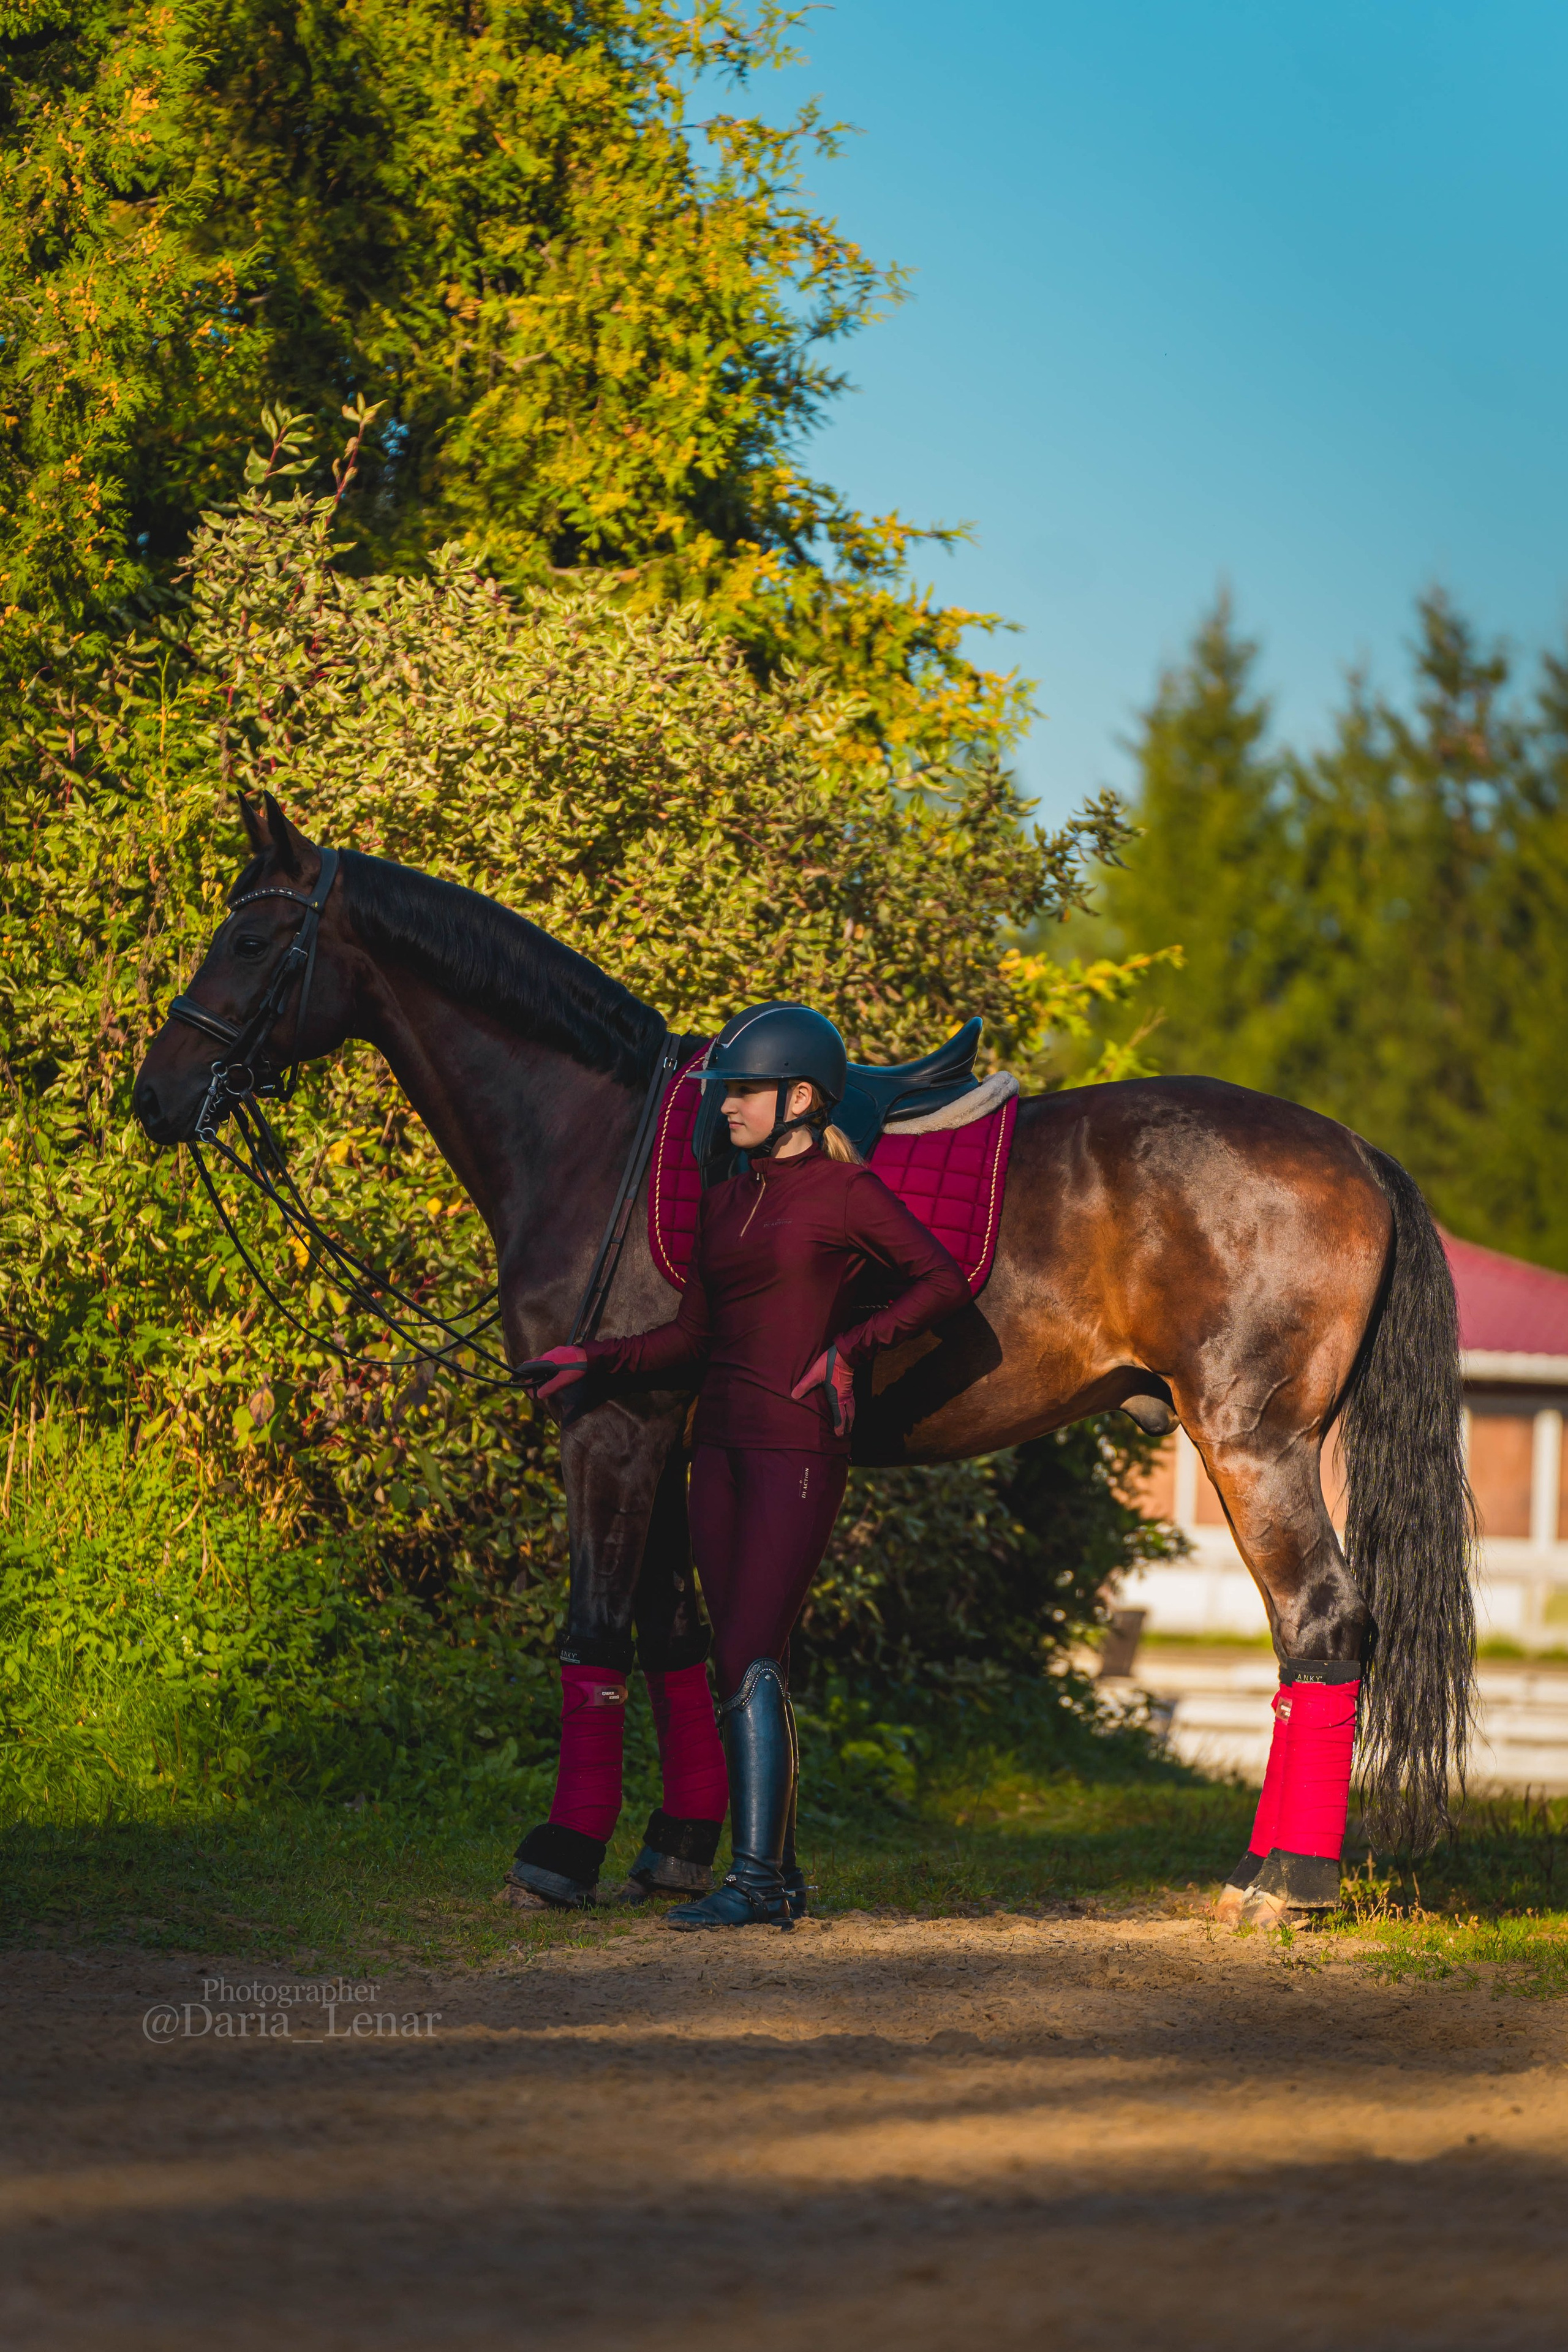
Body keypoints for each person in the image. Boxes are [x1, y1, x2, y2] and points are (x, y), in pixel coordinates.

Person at [526, 1002, 970, 1931]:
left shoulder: (847, 1194)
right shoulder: (727, 1201)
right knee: (741, 1651)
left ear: (799, 1100)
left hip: (796, 1450)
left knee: (750, 1654)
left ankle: (758, 1883)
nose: (724, 1105)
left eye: (743, 1092)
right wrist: (594, 1359)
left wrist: (852, 1348)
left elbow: (942, 1283)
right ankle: (781, 1873)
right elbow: (692, 1337)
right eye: (724, 1091)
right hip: (718, 1452)